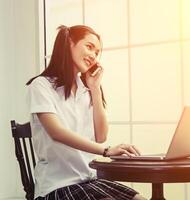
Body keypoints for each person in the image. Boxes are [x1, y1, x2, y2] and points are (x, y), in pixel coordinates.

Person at [26, 25, 146, 200]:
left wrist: (95, 89)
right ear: (69, 43)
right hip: (57, 185)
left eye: (97, 53)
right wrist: (106, 151)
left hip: (89, 180)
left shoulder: (86, 90)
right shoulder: (41, 85)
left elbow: (101, 135)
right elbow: (56, 132)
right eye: (89, 47)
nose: (93, 56)